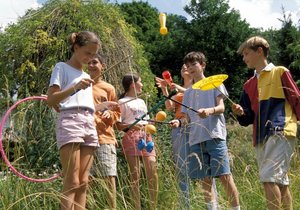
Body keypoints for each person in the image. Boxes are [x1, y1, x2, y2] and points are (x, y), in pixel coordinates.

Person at [232, 36, 300, 210]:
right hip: (260, 136)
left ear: (260, 51)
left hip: (280, 129)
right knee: (280, 181)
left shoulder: (280, 72)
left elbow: (296, 99)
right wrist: (241, 112)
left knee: (269, 178)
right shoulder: (248, 85)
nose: (244, 58)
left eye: (246, 53)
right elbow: (247, 119)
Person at [170, 51, 240, 210]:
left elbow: (222, 108)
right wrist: (179, 122)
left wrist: (209, 111)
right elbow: (186, 117)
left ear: (202, 65)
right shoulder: (188, 92)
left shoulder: (215, 84)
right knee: (205, 181)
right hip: (195, 140)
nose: (190, 68)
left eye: (194, 64)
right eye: (188, 66)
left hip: (214, 136)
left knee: (225, 177)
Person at [47, 31, 101, 210]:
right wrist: (74, 87)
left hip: (89, 122)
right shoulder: (61, 67)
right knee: (72, 180)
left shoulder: (86, 75)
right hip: (70, 120)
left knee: (84, 181)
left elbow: (84, 102)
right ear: (76, 48)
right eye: (88, 53)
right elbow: (51, 100)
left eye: (94, 55)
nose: (90, 58)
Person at [116, 73, 158, 210]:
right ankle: (137, 207)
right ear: (133, 84)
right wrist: (132, 125)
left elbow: (148, 119)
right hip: (131, 136)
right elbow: (118, 125)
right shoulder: (122, 102)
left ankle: (153, 206)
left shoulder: (141, 101)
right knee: (135, 175)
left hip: (147, 136)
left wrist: (153, 122)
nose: (142, 85)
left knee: (153, 171)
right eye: (140, 82)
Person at [155, 64, 193, 209]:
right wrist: (165, 89)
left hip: (196, 128)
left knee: (203, 168)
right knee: (182, 168)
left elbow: (194, 94)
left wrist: (175, 87)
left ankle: (211, 204)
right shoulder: (177, 90)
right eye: (182, 66)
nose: (183, 67)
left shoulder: (197, 87)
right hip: (179, 127)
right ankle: (185, 205)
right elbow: (170, 107)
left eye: (187, 65)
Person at [88, 54, 120, 210]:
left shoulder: (108, 88)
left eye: (95, 62)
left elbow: (117, 112)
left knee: (108, 177)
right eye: (88, 62)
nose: (91, 65)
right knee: (87, 181)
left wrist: (110, 114)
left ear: (103, 65)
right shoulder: (80, 85)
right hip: (83, 139)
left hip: (104, 138)